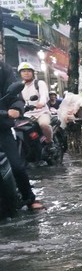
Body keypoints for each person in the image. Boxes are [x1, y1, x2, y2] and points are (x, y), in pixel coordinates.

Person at [0, 61, 44, 210]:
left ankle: (29, 198)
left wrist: (15, 108)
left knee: (16, 166)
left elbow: (14, 96)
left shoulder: (3, 69)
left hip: (2, 127)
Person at [18, 62, 54, 148]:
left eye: (29, 71)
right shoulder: (19, 86)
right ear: (20, 74)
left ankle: (49, 142)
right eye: (24, 71)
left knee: (44, 125)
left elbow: (44, 95)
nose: (26, 73)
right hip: (27, 114)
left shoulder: (39, 83)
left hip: (41, 112)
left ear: (33, 73)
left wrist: (41, 103)